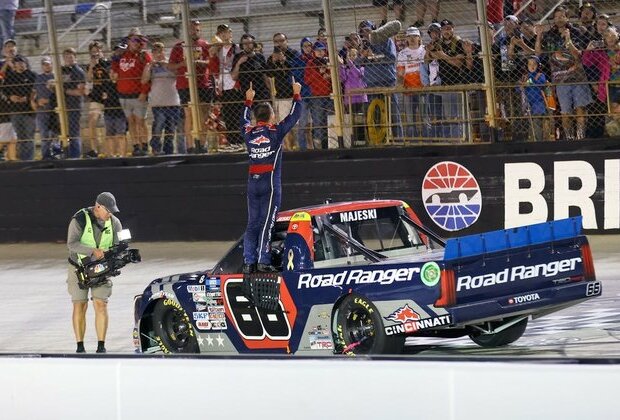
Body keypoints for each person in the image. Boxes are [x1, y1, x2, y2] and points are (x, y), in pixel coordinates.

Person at [241, 79, 302, 273]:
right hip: (270, 184)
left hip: (252, 183)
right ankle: (263, 261)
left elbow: (241, 120)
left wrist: (248, 101)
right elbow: (294, 116)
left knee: (252, 223)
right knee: (268, 222)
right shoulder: (276, 131)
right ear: (271, 116)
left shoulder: (248, 132)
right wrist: (296, 94)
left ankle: (248, 262)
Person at [66, 192, 123, 353]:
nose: (110, 214)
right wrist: (92, 251)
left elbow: (119, 246)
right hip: (78, 268)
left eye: (112, 211)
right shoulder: (80, 219)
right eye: (108, 211)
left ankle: (101, 346)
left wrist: (117, 257)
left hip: (101, 269)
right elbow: (72, 244)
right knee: (80, 305)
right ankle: (80, 347)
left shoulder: (115, 223)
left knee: (101, 304)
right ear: (98, 206)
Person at [168, 20, 213, 154]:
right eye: (193, 30)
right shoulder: (178, 47)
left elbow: (211, 62)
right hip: (185, 85)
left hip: (203, 84)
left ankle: (203, 144)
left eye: (197, 30)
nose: (195, 32)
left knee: (204, 115)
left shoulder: (205, 45)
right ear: (187, 31)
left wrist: (199, 62)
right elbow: (171, 66)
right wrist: (183, 64)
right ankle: (191, 145)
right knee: (189, 115)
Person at [111, 29, 151, 156]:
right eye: (133, 39)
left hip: (138, 93)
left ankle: (144, 145)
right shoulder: (121, 55)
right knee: (131, 121)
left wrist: (144, 92)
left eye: (138, 40)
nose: (135, 42)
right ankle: (135, 146)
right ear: (128, 41)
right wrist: (115, 60)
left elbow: (148, 76)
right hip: (123, 93)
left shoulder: (144, 55)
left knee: (141, 121)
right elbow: (114, 71)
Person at [142, 41, 180, 155]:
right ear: (152, 53)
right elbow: (144, 80)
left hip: (173, 101)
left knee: (171, 129)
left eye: (160, 51)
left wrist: (166, 65)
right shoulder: (151, 66)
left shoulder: (170, 62)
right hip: (158, 102)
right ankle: (156, 148)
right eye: (155, 52)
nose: (158, 54)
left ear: (164, 51)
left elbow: (179, 74)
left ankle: (168, 151)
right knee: (159, 124)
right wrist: (149, 66)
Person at [61, 48, 86, 158]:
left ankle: (75, 155)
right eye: (66, 57)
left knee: (74, 131)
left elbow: (80, 91)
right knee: (63, 131)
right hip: (62, 106)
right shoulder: (62, 70)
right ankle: (65, 153)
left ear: (75, 58)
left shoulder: (78, 71)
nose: (68, 59)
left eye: (71, 57)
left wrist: (65, 91)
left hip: (74, 105)